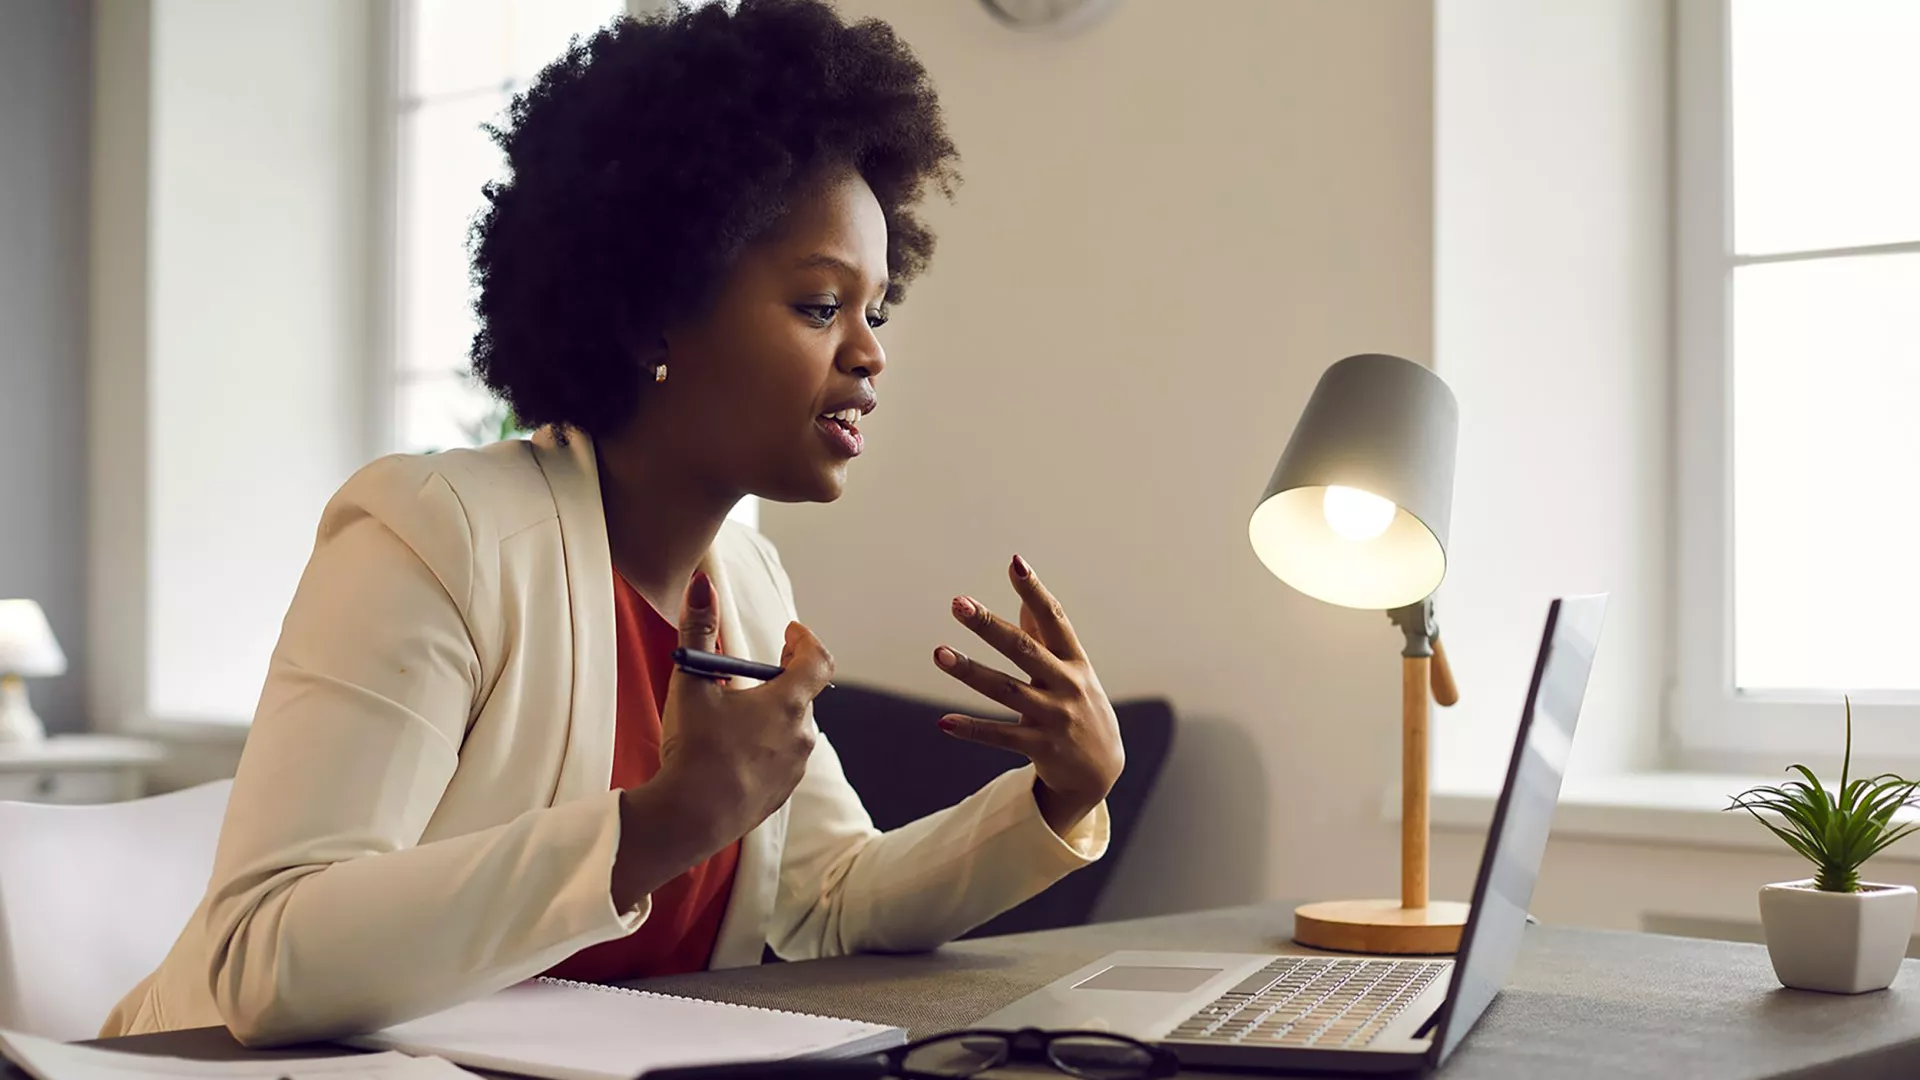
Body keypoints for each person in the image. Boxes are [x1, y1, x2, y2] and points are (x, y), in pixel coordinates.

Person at [104, 0, 1125, 1046]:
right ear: (652, 314)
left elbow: (829, 901)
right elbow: (268, 959)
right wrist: (651, 831)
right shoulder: (438, 536)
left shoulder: (748, 586)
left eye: (878, 310)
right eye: (823, 306)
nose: (870, 353)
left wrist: (1057, 795)